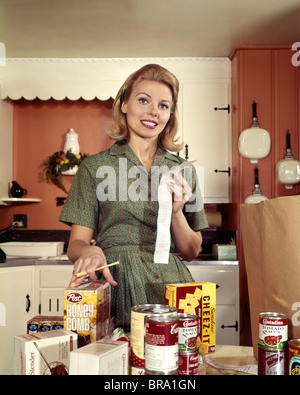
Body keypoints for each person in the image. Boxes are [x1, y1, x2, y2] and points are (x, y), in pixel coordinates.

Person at [59, 64, 208, 331]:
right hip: (117, 283)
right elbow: (76, 244)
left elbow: (192, 250)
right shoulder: (93, 167)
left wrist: (176, 214)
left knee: (176, 365)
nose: (153, 111)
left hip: (172, 286)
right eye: (143, 100)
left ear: (170, 114)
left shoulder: (184, 170)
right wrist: (91, 250)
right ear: (124, 104)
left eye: (163, 105)